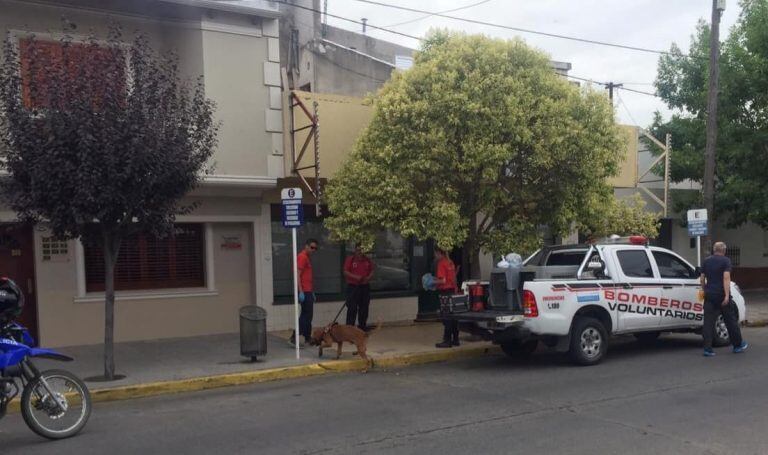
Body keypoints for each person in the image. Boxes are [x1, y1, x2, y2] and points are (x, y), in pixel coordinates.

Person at [700, 241, 748, 357]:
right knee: (730, 320)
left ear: (714, 250)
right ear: (724, 251)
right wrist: (726, 295)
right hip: (721, 295)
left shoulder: (706, 261)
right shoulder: (726, 261)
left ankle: (707, 349)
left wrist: (704, 290)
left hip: (709, 295)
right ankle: (737, 345)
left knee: (708, 322)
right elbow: (726, 278)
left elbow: (702, 278)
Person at [290, 238, 319, 347]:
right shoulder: (302, 257)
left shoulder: (306, 257)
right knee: (305, 316)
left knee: (307, 315)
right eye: (311, 247)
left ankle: (307, 337)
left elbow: (307, 277)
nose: (313, 250)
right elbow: (297, 274)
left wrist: (311, 292)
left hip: (308, 291)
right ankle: (295, 336)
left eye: (315, 248)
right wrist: (301, 291)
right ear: (306, 246)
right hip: (304, 291)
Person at [343, 244, 375, 331]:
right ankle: (349, 328)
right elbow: (345, 272)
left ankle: (362, 326)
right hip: (353, 286)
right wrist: (356, 277)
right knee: (352, 308)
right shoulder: (350, 259)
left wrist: (369, 277)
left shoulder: (367, 260)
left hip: (364, 287)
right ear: (355, 250)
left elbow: (372, 270)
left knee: (364, 307)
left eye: (361, 250)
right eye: (358, 250)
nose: (360, 252)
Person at [434, 247, 459, 348]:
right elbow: (454, 278)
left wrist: (432, 282)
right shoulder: (450, 262)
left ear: (439, 252)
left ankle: (447, 340)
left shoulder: (441, 263)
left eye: (435, 253)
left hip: (445, 292)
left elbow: (443, 280)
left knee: (446, 317)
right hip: (452, 291)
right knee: (453, 316)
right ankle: (456, 339)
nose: (435, 256)